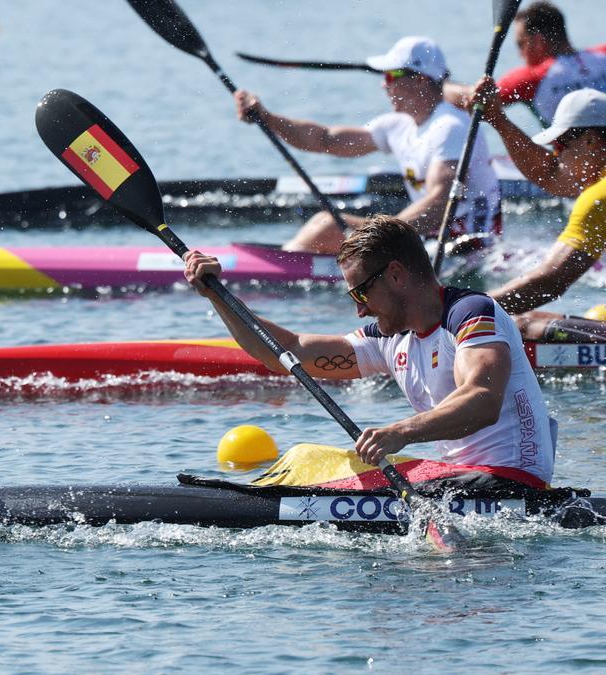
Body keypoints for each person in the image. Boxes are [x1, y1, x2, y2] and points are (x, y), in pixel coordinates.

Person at [183, 215, 554, 488]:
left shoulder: (470, 314)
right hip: (460, 480)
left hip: (513, 482)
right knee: (307, 458)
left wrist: (401, 432)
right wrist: (219, 296)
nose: (359, 309)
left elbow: (482, 400)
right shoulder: (390, 339)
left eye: (360, 292)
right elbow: (289, 351)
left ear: (395, 274)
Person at [235, 36, 501, 254]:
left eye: (390, 76)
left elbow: (439, 203)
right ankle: (294, 258)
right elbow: (326, 139)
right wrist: (268, 118)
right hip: (428, 238)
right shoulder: (399, 125)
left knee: (328, 226)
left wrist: (377, 237)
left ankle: (286, 267)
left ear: (420, 79)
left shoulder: (450, 126)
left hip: (465, 245)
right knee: (325, 222)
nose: (384, 86)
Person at [472, 82, 606, 342]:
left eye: (559, 144)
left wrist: (458, 311)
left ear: (590, 140)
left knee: (519, 327)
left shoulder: (599, 197)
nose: (556, 155)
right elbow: (551, 174)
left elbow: (548, 282)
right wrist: (498, 120)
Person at [446, 2, 606, 127]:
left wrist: (439, 83)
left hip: (574, 165)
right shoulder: (602, 54)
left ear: (537, 41)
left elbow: (476, 97)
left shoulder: (533, 78)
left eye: (521, 44)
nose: (520, 55)